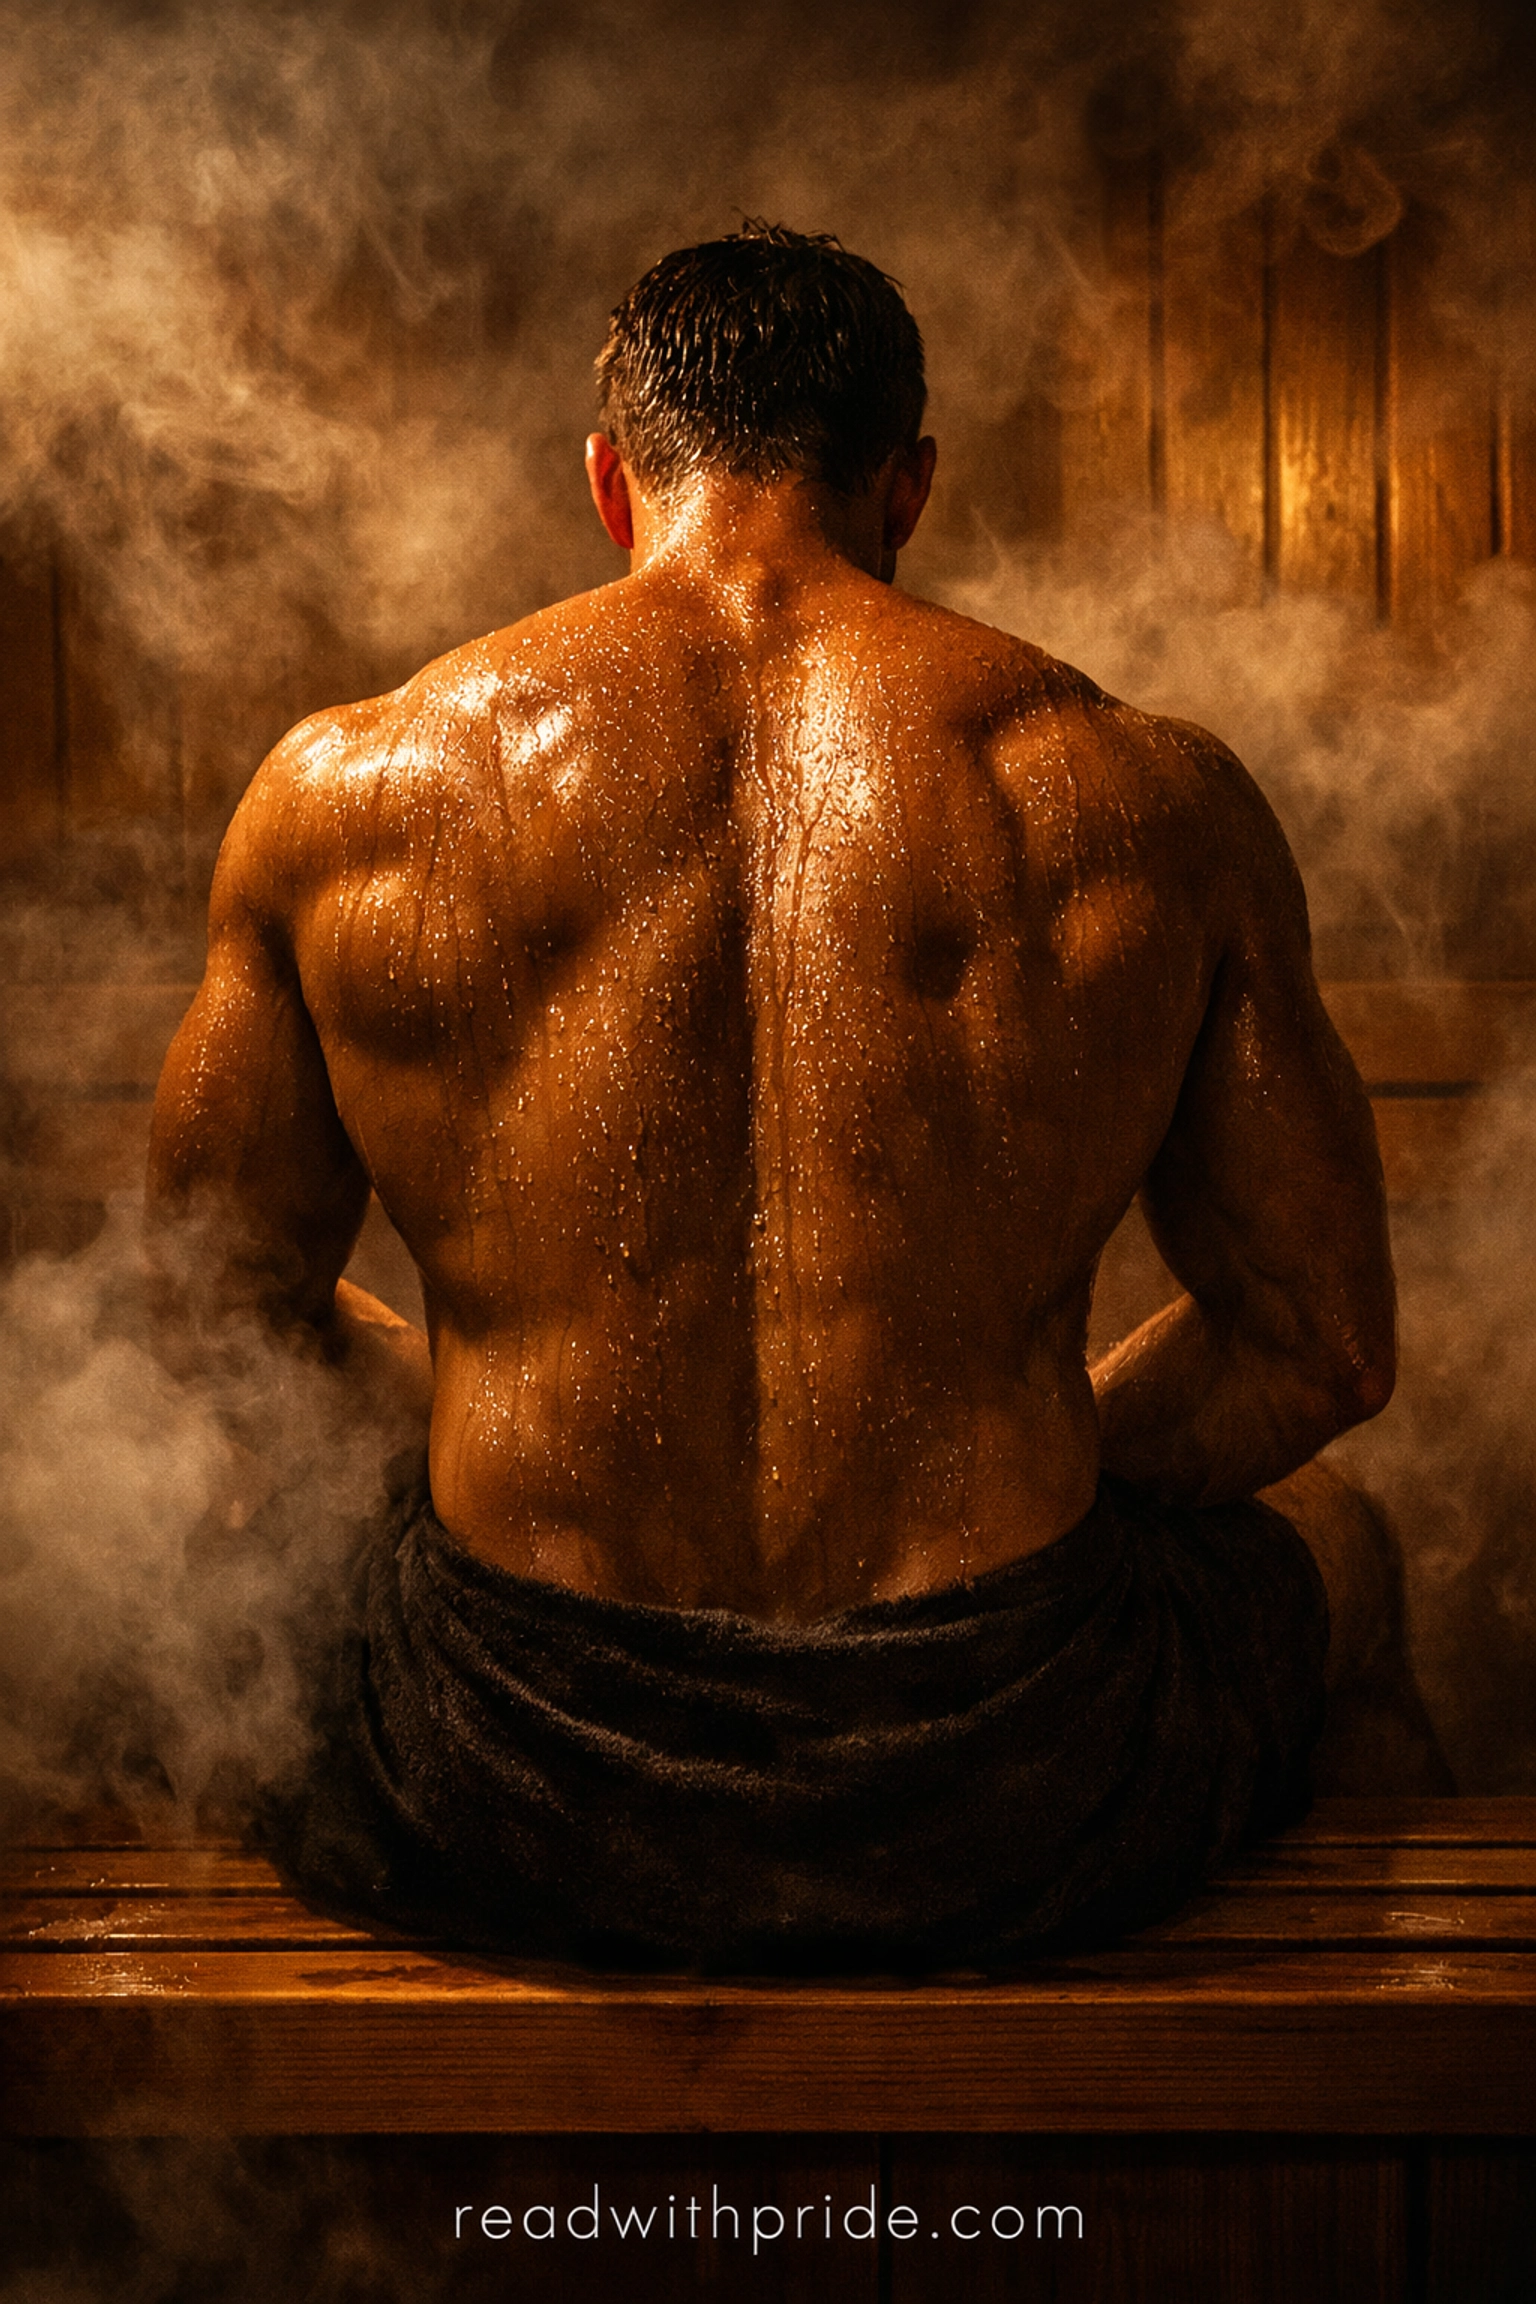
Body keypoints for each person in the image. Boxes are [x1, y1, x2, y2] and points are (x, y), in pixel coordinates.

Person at [148, 222, 1445, 1969]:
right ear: (908, 484)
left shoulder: (349, 793)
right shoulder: (1148, 798)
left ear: (610, 478)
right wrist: (1031, 1461)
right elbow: (1325, 1349)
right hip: (1001, 1768)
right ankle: (1389, 2079)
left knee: (225, 1616)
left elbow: (207, 1307)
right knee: (1345, 1548)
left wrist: (514, 1422)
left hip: (514, 1769)